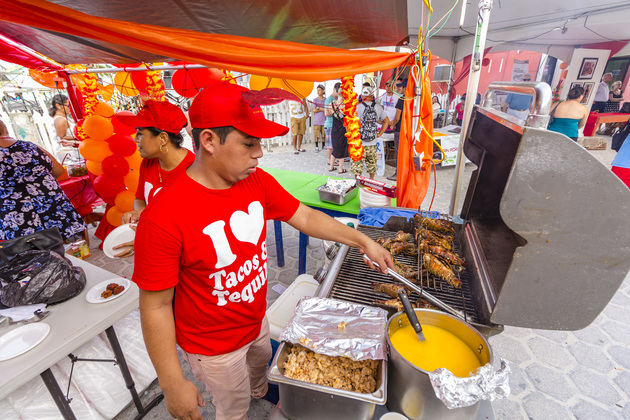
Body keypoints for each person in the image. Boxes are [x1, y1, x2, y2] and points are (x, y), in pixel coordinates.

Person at [131, 81, 394, 420]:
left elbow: (304, 215)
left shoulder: (256, 181)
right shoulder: (163, 216)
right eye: (249, 144)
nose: (259, 153)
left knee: (259, 373)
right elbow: (155, 306)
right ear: (209, 140)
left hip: (257, 320)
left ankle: (258, 392)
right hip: (213, 348)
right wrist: (171, 383)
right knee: (233, 405)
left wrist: (364, 241)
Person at [111, 100, 195, 257]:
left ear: (163, 138)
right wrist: (140, 213)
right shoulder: (148, 163)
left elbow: (192, 230)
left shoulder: (195, 171)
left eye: (140, 133)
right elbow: (140, 199)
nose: (136, 139)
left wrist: (148, 237)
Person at [0, 120, 86, 241]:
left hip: (15, 214)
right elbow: (59, 171)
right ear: (6, 130)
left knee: (29, 252)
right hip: (50, 203)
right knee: (67, 245)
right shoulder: (30, 146)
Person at [351, 86, 390, 179]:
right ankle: (371, 182)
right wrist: (379, 133)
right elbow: (386, 121)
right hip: (372, 142)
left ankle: (357, 183)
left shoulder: (357, 107)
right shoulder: (378, 107)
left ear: (362, 96)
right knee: (372, 165)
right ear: (372, 95)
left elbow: (350, 123)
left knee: (357, 166)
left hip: (359, 142)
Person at [387, 85, 406, 181]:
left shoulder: (402, 98)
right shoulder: (415, 98)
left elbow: (397, 117)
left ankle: (398, 174)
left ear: (405, 88)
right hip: (410, 129)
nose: (399, 89)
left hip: (400, 130)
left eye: (401, 87)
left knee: (399, 153)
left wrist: (393, 125)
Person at [330, 85, 349, 174]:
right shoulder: (345, 106)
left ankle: (331, 167)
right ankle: (340, 169)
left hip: (334, 129)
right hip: (342, 130)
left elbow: (330, 113)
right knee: (341, 149)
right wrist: (348, 132)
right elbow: (346, 122)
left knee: (335, 148)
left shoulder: (331, 104)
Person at [324, 82, 340, 171]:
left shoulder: (339, 99)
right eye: (337, 92)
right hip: (330, 124)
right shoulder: (329, 100)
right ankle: (330, 160)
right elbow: (326, 113)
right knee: (330, 144)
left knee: (335, 143)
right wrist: (336, 113)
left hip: (336, 125)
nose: (338, 94)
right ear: (334, 90)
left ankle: (336, 158)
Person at [311, 84, 326, 153]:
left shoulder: (325, 100)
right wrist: (321, 108)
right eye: (317, 90)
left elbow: (326, 109)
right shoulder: (315, 100)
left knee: (323, 134)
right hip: (317, 120)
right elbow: (314, 110)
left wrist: (318, 108)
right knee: (316, 134)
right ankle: (316, 146)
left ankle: (323, 145)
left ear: (323, 91)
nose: (318, 92)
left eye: (319, 90)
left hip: (324, 120)